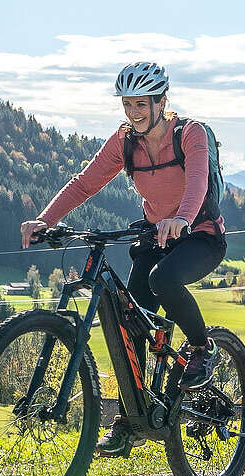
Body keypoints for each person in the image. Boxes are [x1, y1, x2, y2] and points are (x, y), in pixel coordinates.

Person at [24, 60, 228, 455]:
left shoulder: (191, 133)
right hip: (155, 235)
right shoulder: (125, 141)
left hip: (199, 236)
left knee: (162, 281)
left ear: (160, 101)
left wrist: (182, 219)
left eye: (141, 104)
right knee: (130, 325)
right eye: (127, 105)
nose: (133, 113)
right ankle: (131, 419)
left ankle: (204, 348)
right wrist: (44, 220)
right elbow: (84, 183)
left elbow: (199, 181)